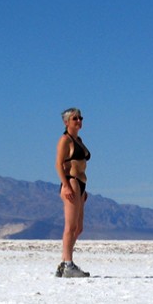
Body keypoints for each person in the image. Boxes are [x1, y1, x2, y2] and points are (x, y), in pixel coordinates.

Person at [55, 107, 91, 277]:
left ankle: (65, 262)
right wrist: (66, 185)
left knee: (79, 228)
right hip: (71, 183)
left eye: (80, 118)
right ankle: (68, 264)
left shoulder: (79, 140)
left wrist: (84, 190)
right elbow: (58, 164)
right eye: (75, 118)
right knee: (70, 226)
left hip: (80, 186)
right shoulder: (65, 140)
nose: (79, 121)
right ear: (66, 122)